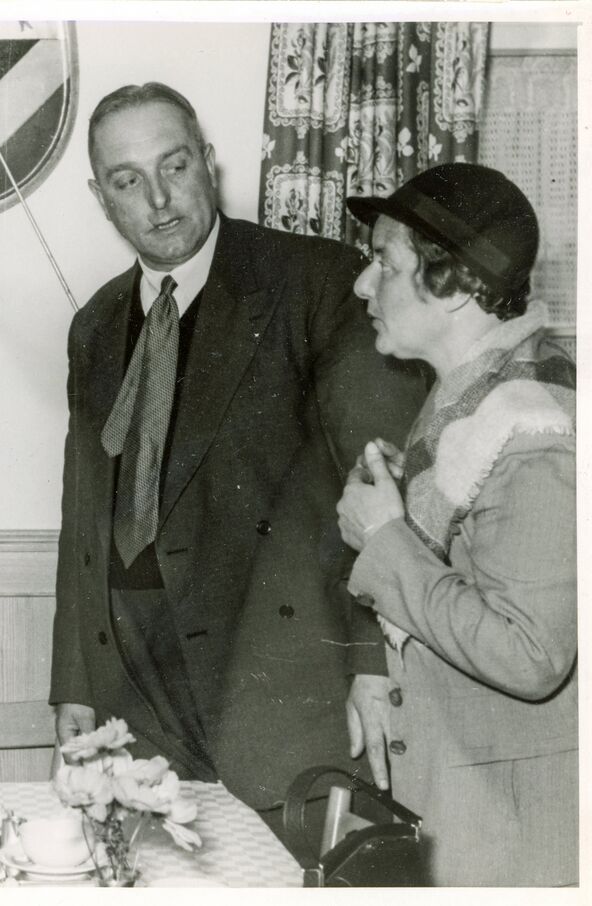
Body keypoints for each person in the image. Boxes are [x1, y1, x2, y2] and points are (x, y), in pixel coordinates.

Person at [49, 82, 427, 825]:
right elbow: (83, 515)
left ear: (209, 161)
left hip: (277, 680)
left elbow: (380, 477)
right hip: (136, 692)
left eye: (175, 166)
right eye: (128, 181)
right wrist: (75, 682)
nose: (159, 199)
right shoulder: (94, 324)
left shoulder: (313, 282)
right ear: (102, 199)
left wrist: (372, 662)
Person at [338, 163, 576, 886]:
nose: (363, 285)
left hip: (514, 838)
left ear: (455, 284)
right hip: (467, 804)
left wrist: (387, 540)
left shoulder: (532, 425)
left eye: (385, 262)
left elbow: (530, 655)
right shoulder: (472, 398)